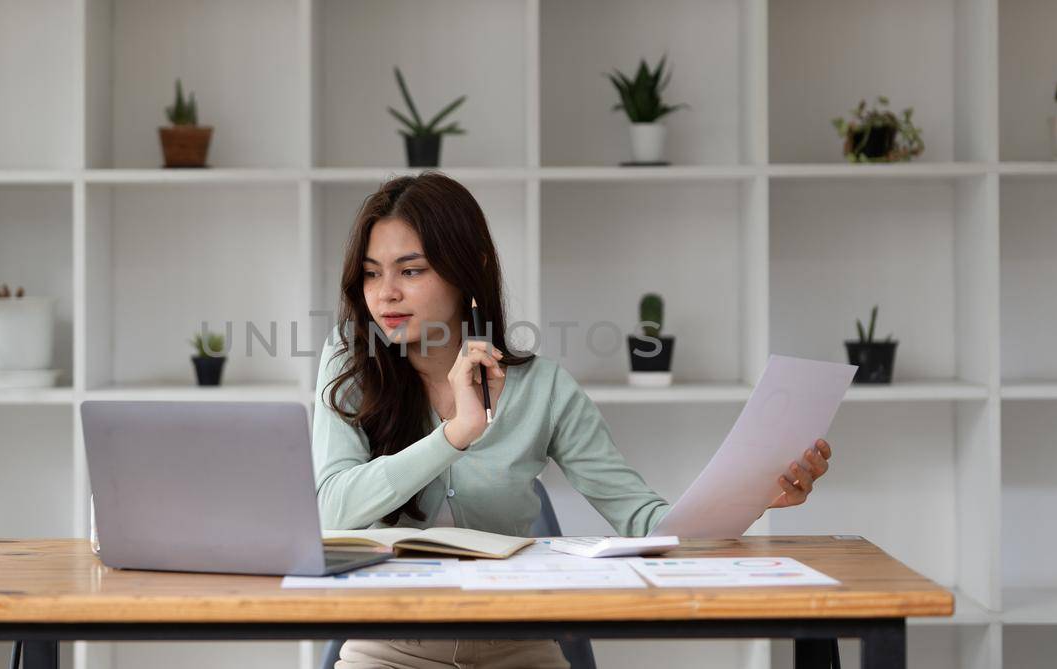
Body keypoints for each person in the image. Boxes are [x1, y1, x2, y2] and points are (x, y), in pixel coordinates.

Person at [311, 171, 833, 669]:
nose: (385, 294)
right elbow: (332, 510)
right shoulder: (349, 364)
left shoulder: (544, 388)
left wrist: (752, 492)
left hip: (518, 650)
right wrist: (454, 435)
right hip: (390, 650)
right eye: (372, 273)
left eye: (411, 270)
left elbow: (646, 522)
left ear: (471, 268)